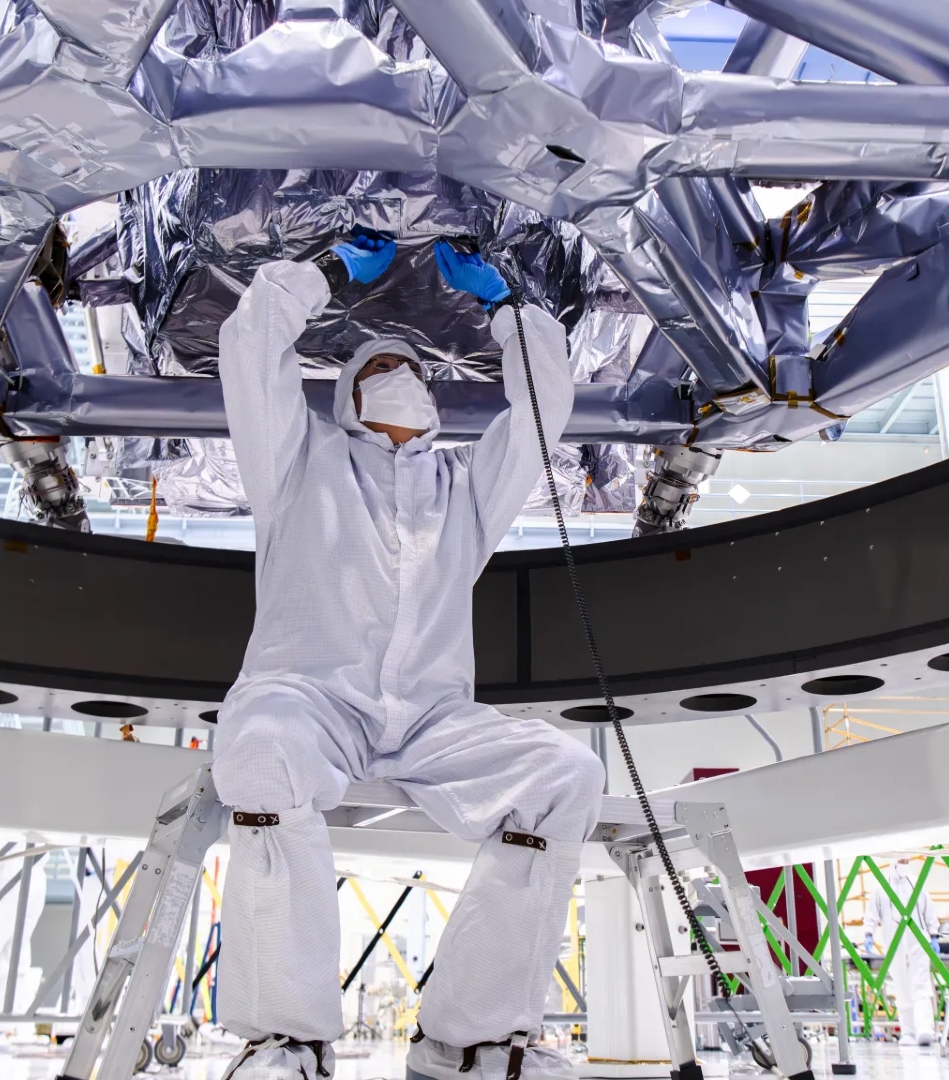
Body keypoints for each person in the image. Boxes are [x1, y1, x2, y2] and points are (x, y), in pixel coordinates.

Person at [211, 231, 605, 1080]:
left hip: (433, 719)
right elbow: (249, 346)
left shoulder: (463, 489)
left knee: (565, 776)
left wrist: (508, 312)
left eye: (419, 371)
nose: (407, 377)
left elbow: (544, 408)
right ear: (346, 395)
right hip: (310, 700)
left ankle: (470, 1040)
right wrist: (321, 273)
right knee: (262, 746)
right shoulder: (298, 464)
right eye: (382, 367)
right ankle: (287, 1038)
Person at [865, 857, 939, 1047]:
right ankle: (908, 1031)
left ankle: (925, 1028)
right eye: (901, 860)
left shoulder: (917, 884)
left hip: (918, 941)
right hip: (893, 942)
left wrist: (934, 934)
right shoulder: (881, 888)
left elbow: (929, 910)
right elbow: (871, 913)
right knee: (901, 985)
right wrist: (868, 932)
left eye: (906, 860)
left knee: (920, 984)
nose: (904, 863)